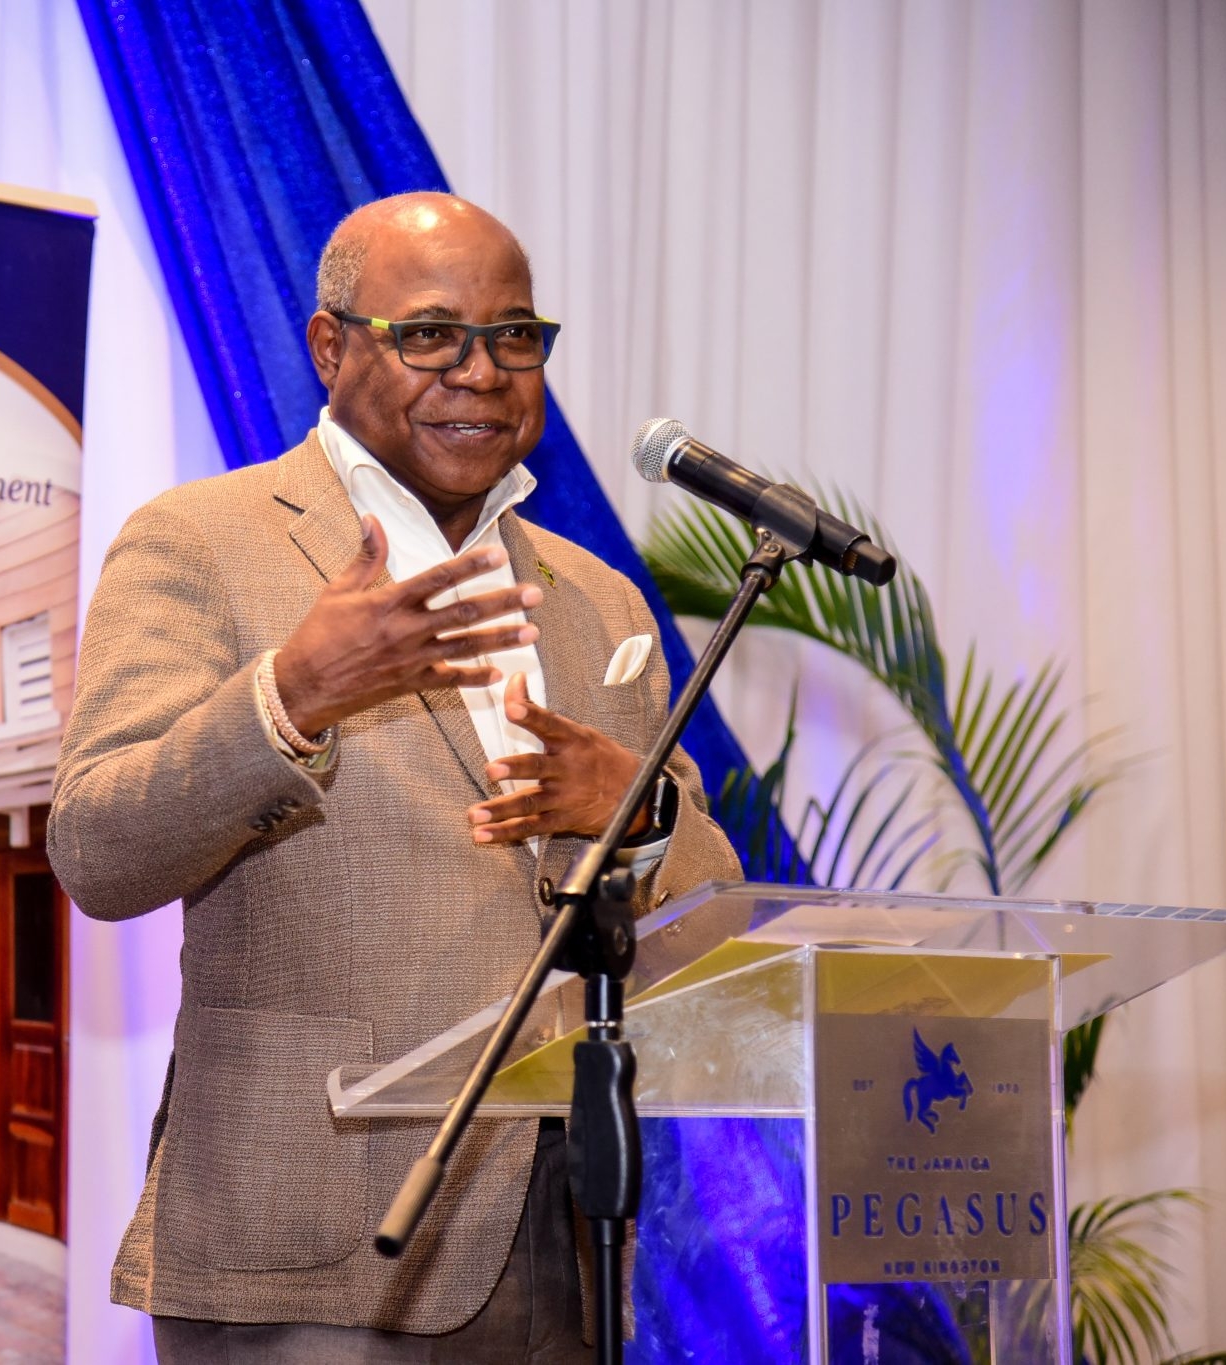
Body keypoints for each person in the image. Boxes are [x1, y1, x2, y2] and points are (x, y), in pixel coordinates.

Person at [48, 192, 740, 1362]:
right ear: (331, 347)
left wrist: (642, 812)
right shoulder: (202, 541)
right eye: (430, 333)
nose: (480, 371)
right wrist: (292, 696)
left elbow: (702, 920)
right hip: (310, 1240)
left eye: (513, 335)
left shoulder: (597, 599)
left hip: (564, 1235)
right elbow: (97, 851)